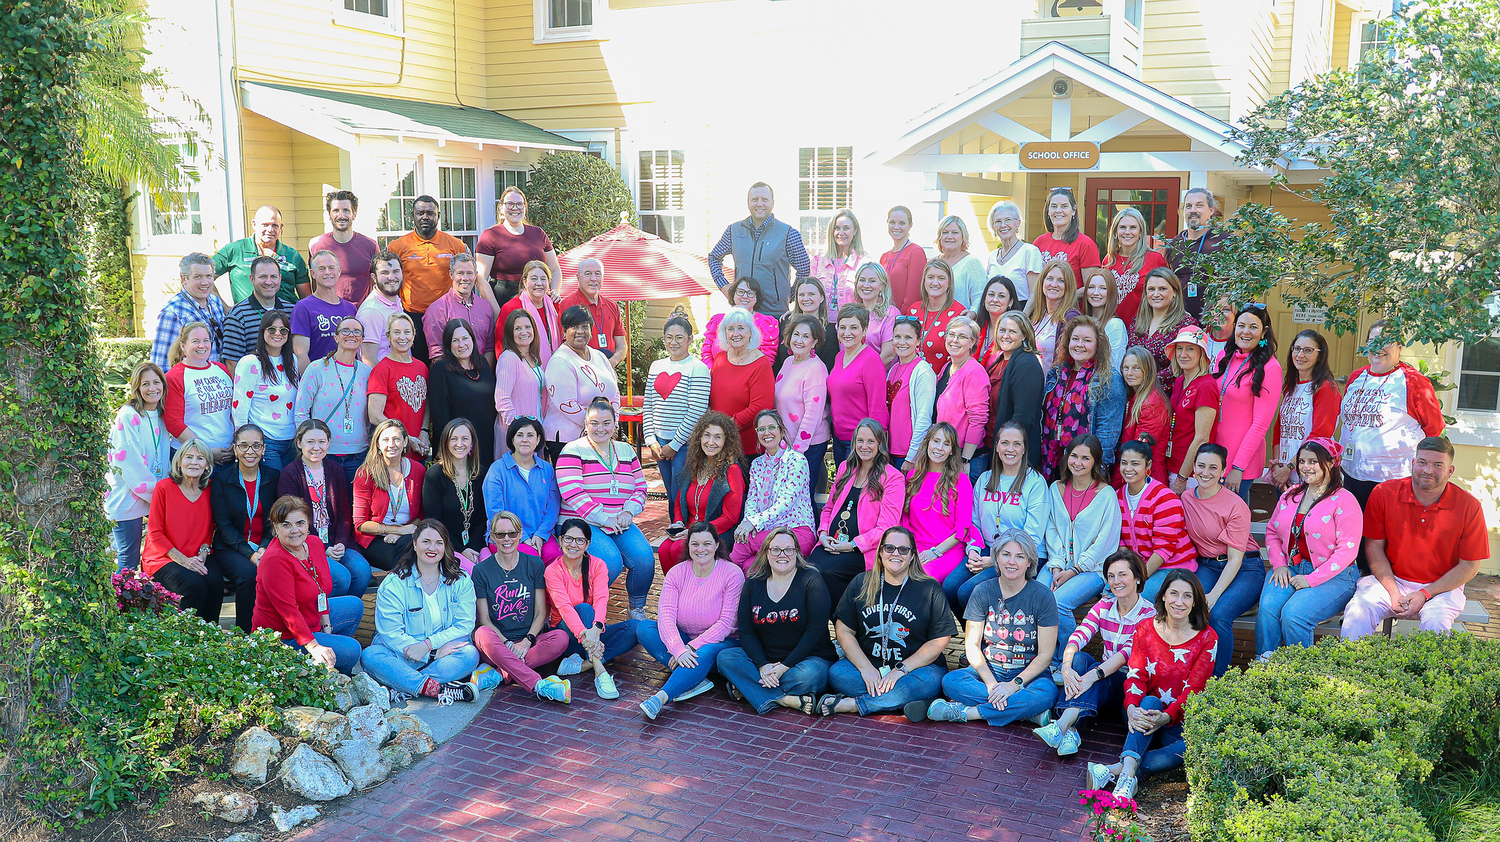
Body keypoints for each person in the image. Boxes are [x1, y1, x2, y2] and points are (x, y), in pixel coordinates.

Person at [1085, 569, 1217, 800]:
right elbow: (1136, 676)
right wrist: (1132, 708)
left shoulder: (1207, 638)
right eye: (1173, 593)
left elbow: (1195, 689)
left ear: (1195, 601)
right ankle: (1127, 779)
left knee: (1194, 749)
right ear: (1163, 595)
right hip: (1141, 714)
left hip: (1176, 722)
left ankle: (1119, 770)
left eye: (1187, 596)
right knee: (1150, 700)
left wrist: (1167, 717)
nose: (1179, 601)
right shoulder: (1145, 628)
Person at [1342, 437, 1490, 638]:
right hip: (1391, 581)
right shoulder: (1384, 493)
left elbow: (1470, 566)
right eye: (1422, 462)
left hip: (1441, 587)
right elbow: (1373, 547)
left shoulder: (1469, 506)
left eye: (1438, 465)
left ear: (1450, 471)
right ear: (1413, 464)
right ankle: (1350, 666)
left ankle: (1427, 671)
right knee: (1358, 611)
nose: (1428, 470)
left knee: (1436, 624)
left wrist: (1425, 594)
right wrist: (1394, 592)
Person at [922, 528, 1059, 727]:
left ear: (1029, 561)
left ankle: (966, 713)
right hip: (989, 670)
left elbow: (1045, 655)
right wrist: (992, 685)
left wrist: (1013, 686)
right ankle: (1026, 714)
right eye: (1006, 554)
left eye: (1020, 556)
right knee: (951, 681)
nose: (1012, 562)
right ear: (996, 557)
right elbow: (972, 646)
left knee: (1047, 693)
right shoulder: (982, 591)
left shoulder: (1043, 596)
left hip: (1027, 675)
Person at [821, 526, 955, 717]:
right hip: (870, 665)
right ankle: (904, 702)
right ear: (881, 552)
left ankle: (855, 704)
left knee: (930, 681)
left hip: (913, 670)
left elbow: (940, 640)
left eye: (903, 550)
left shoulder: (929, 588)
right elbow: (843, 630)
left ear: (912, 555)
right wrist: (865, 668)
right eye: (890, 548)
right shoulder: (861, 582)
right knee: (837, 673)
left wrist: (901, 670)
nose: (896, 554)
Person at [1035, 550, 1154, 757]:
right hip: (1102, 680)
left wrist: (1092, 676)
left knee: (1095, 671)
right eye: (1111, 576)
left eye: (1122, 575)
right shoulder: (1105, 605)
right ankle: (1069, 731)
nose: (1116, 581)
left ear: (1137, 578)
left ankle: (1061, 724)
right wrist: (1066, 665)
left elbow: (1125, 654)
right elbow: (1080, 634)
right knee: (1079, 658)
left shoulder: (1148, 614)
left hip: (1128, 685)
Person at [1257, 438, 1362, 656]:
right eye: (1302, 461)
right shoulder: (1290, 494)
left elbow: (1347, 551)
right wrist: (1278, 565)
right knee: (1268, 610)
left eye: (1313, 461)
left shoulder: (1344, 500)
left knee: (1294, 615)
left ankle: (1301, 673)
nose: (1305, 467)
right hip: (1290, 569)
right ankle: (1265, 667)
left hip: (1336, 577)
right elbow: (1272, 532)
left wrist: (1311, 579)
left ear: (1331, 462)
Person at [361, 519, 481, 705]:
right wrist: (430, 654)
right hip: (402, 654)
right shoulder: (394, 583)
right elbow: (390, 633)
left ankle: (401, 685)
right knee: (370, 656)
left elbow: (464, 625)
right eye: (426, 541)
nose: (432, 548)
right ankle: (440, 689)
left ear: (445, 547)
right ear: (415, 544)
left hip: (443, 654)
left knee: (469, 655)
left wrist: (429, 645)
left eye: (438, 543)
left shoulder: (461, 580)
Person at [717, 528, 837, 714]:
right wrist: (762, 665)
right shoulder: (753, 583)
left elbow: (815, 630)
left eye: (789, 550)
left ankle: (748, 687)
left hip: (806, 661)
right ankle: (786, 700)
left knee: (810, 676)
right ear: (767, 552)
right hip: (766, 661)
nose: (783, 555)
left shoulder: (811, 580)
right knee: (726, 658)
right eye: (776, 550)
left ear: (796, 552)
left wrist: (783, 667)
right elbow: (746, 631)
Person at [554, 398, 655, 619]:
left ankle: (636, 608)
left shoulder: (626, 451)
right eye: (594, 423)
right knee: (610, 562)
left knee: (644, 558)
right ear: (586, 423)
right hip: (582, 523)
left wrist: (628, 512)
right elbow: (572, 493)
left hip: (619, 521)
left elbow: (640, 487)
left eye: (606, 423)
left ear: (615, 423)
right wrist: (604, 518)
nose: (601, 428)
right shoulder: (573, 450)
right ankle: (583, 608)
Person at [637, 523, 746, 719]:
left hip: (721, 643)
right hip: (685, 642)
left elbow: (727, 623)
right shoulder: (677, 573)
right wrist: (678, 649)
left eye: (707, 543)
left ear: (716, 545)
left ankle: (661, 697)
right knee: (645, 628)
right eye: (695, 544)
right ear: (688, 546)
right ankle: (694, 678)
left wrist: (691, 647)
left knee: (707, 650)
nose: (701, 549)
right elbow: (666, 615)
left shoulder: (732, 573)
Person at [1338, 320, 1446, 513]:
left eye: (1386, 341)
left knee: (1386, 540)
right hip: (1352, 475)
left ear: (1400, 347)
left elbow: (1434, 430)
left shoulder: (1414, 381)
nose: (1378, 348)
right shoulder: (1356, 377)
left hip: (1393, 480)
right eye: (1373, 341)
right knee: (1356, 537)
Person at [252, 495, 366, 674]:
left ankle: (328, 665)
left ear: (308, 523)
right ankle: (325, 666)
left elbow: (321, 589)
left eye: (300, 523)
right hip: (282, 636)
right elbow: (289, 613)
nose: (295, 530)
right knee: (352, 649)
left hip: (310, 617)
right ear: (275, 528)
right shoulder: (275, 560)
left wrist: (327, 626)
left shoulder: (313, 543)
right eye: (286, 525)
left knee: (355, 605)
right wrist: (314, 646)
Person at [1179, 443, 1264, 676]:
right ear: (1193, 468)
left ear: (1223, 472)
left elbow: (1235, 559)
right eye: (1201, 466)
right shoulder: (1186, 497)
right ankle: (1186, 672)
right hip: (1208, 564)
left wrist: (1213, 595)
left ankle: (1218, 679)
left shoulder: (1235, 505)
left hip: (1245, 567)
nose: (1206, 472)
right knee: (1187, 606)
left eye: (1213, 468)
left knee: (1218, 614)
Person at [470, 512, 571, 704]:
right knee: (482, 633)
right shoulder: (481, 570)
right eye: (500, 534)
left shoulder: (533, 564)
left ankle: (500, 675)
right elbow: (484, 619)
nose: (507, 539)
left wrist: (526, 641)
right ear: (492, 536)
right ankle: (539, 685)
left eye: (512, 533)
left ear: (520, 534)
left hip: (529, 645)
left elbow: (541, 612)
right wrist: (508, 644)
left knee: (561, 637)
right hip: (497, 646)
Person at [1042, 435, 1122, 674]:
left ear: (1095, 462)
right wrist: (1057, 566)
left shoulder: (1106, 495)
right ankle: (1039, 656)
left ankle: (1063, 659)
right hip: (1058, 563)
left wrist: (1075, 570)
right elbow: (1052, 529)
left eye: (1085, 458)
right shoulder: (1055, 489)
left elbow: (1105, 542)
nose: (1078, 462)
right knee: (1038, 594)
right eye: (1074, 456)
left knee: (1058, 603)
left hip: (1093, 569)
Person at [951, 421, 1049, 613]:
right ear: (996, 447)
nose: (1010, 449)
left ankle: (987, 635)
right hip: (986, 549)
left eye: (1016, 444)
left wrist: (996, 559)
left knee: (967, 592)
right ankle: (977, 632)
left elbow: (1033, 535)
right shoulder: (985, 479)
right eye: (1005, 443)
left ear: (1024, 449)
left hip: (1022, 554)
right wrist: (973, 551)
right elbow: (974, 524)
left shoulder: (1035, 483)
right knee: (949, 588)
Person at [808, 420, 906, 607]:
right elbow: (829, 508)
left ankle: (844, 626)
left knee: (825, 572)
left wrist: (851, 545)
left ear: (880, 444)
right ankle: (827, 630)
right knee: (807, 571)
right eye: (860, 440)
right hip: (832, 543)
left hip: (865, 550)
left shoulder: (892, 477)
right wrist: (822, 535)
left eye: (871, 441)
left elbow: (886, 528)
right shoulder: (846, 468)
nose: (864, 446)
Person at [546, 518, 641, 701]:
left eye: (580, 540)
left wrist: (596, 629)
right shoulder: (553, 571)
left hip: (592, 633)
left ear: (588, 544)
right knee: (583, 608)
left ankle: (582, 665)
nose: (573, 544)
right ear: (560, 541)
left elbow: (601, 599)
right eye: (568, 539)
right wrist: (589, 635)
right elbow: (565, 608)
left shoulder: (597, 565)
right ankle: (600, 672)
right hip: (567, 635)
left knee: (636, 627)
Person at [277, 419, 372, 599]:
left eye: (321, 442)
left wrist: (341, 544)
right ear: (299, 443)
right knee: (341, 578)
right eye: (310, 442)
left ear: (328, 443)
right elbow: (292, 522)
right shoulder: (290, 474)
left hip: (337, 542)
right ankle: (324, 618)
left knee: (362, 572)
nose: (316, 447)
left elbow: (344, 512)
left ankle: (344, 615)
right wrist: (323, 548)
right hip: (306, 545)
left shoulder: (335, 469)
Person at [208, 423, 277, 632]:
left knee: (279, 570)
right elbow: (224, 526)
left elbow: (275, 521)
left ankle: (277, 632)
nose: (250, 451)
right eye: (244, 446)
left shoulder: (274, 477)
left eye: (256, 446)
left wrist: (263, 548)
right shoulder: (221, 480)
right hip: (231, 547)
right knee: (249, 575)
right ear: (235, 449)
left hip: (266, 545)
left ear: (264, 449)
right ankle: (246, 634)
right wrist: (251, 554)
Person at [141, 440, 219, 622]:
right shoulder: (164, 488)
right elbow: (155, 533)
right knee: (194, 584)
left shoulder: (211, 489)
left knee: (215, 582)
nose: (194, 462)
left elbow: (210, 528)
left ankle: (210, 637)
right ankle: (182, 637)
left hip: (197, 554)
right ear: (178, 462)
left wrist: (203, 554)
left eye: (200, 458)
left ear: (207, 465)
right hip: (163, 558)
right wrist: (184, 561)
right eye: (188, 457)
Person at [707, 182, 811, 317]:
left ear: (772, 203)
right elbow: (714, 257)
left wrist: (788, 296)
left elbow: (804, 270)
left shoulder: (789, 234)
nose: (759, 204)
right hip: (743, 313)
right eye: (755, 200)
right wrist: (725, 288)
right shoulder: (733, 231)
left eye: (765, 200)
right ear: (748, 203)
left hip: (775, 315)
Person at [388, 195, 471, 365]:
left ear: (438, 216)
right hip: (413, 316)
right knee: (417, 363)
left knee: (449, 362)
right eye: (420, 213)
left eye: (430, 213)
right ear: (413, 216)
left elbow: (468, 276)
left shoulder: (455, 245)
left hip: (447, 314)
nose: (425, 217)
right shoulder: (397, 246)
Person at [659, 412, 746, 573]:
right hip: (687, 529)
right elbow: (679, 502)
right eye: (707, 435)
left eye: (717, 437)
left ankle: (692, 595)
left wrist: (695, 533)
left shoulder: (732, 470)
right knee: (664, 549)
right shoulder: (694, 464)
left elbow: (730, 517)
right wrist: (678, 522)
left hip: (716, 532)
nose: (711, 442)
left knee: (678, 548)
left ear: (726, 441)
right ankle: (676, 593)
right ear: (699, 438)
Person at [1213, 304, 1284, 501]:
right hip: (1215, 456)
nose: (1246, 332)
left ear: (1264, 332)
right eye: (1241, 325)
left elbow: (1260, 424)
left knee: (1229, 519)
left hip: (1240, 461)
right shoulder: (1224, 357)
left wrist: (1238, 467)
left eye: (1253, 327)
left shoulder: (1270, 368)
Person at [731, 411, 817, 571]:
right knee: (751, 567)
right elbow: (752, 500)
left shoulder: (797, 461)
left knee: (744, 541)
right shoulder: (757, 464)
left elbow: (785, 504)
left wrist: (754, 523)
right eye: (761, 429)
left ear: (781, 430)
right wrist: (749, 521)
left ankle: (720, 577)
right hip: (766, 530)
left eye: (771, 427)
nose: (766, 433)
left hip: (796, 531)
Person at [1041, 316, 1126, 476]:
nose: (1079, 345)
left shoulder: (1109, 379)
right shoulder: (1056, 373)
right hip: (1051, 460)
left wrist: (1098, 470)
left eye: (1087, 340)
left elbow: (1108, 432)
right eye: (1075, 339)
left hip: (1085, 467)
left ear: (1097, 345)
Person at [107, 362, 171, 569]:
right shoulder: (128, 415)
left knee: (156, 556)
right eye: (145, 384)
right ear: (136, 388)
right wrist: (162, 497)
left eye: (156, 382)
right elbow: (129, 463)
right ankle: (120, 602)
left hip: (152, 496)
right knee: (129, 559)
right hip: (127, 498)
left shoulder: (160, 414)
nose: (152, 388)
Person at [644, 315, 711, 512]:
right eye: (669, 337)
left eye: (680, 337)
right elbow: (648, 404)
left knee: (681, 495)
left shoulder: (698, 368)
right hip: (659, 443)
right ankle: (674, 533)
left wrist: (674, 445)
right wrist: (651, 440)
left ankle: (685, 538)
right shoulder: (656, 366)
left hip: (685, 445)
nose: (674, 342)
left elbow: (696, 411)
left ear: (689, 339)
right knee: (671, 496)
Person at [293, 316, 371, 482]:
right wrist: (308, 446)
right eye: (345, 331)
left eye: (357, 331)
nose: (351, 335)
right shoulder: (317, 368)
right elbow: (301, 411)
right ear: (336, 337)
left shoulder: (367, 372)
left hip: (359, 455)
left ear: (362, 339)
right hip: (323, 454)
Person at [1116, 440, 1196, 601]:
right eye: (1124, 463)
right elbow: (1121, 542)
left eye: (1135, 463)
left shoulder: (1165, 498)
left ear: (1148, 465)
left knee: (1133, 599)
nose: (1128, 468)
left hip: (1172, 567)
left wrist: (1137, 579)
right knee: (1110, 597)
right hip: (1137, 567)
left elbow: (1163, 550)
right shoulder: (1117, 497)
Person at [902, 423, 981, 582]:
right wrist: (910, 549)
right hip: (914, 547)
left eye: (946, 444)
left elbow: (963, 529)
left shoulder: (961, 480)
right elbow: (904, 521)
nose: (939, 448)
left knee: (919, 579)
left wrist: (935, 552)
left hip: (946, 550)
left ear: (952, 450)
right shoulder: (912, 476)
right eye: (936, 441)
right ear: (927, 443)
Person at [543, 305, 621, 457]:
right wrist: (600, 427)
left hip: (600, 436)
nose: (580, 331)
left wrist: (613, 423)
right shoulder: (560, 361)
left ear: (591, 330)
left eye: (585, 326)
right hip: (568, 440)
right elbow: (567, 404)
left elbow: (615, 394)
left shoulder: (600, 356)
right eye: (574, 327)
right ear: (564, 332)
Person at [1269, 329, 1340, 491]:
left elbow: (1319, 435)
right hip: (1284, 475)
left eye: (1308, 350)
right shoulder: (1290, 387)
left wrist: (1289, 468)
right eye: (1297, 348)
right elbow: (1279, 430)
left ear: (1320, 356)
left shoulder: (1325, 387)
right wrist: (1277, 466)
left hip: (1310, 475)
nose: (1300, 355)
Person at [353, 419, 426, 572]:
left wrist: (405, 530)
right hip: (374, 538)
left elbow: (423, 513)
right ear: (378, 444)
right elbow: (360, 523)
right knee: (410, 552)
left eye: (396, 439)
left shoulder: (418, 470)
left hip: (408, 534)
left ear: (405, 442)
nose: (391, 444)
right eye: (385, 440)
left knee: (411, 546)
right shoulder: (365, 474)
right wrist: (395, 530)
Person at [774, 314, 831, 506]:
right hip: (787, 444)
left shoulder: (815, 368)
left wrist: (797, 452)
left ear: (814, 342)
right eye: (796, 334)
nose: (799, 340)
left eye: (806, 336)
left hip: (808, 446)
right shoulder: (788, 362)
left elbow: (812, 415)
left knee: (801, 498)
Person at [231, 310, 299, 470]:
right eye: (272, 329)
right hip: (265, 440)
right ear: (262, 332)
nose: (278, 333)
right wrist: (243, 442)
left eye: (283, 330)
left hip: (291, 440)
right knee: (272, 490)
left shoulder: (292, 360)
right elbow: (240, 406)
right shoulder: (250, 363)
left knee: (288, 492)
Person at [482, 417, 560, 555]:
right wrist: (522, 538)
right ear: (512, 439)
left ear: (538, 439)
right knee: (529, 559)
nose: (525, 439)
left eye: (530, 435)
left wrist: (540, 535)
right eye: (520, 435)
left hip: (541, 535)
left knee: (555, 557)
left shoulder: (547, 470)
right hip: (506, 536)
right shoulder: (498, 469)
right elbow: (495, 511)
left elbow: (553, 508)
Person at [164, 322, 235, 470]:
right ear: (183, 346)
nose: (202, 346)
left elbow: (233, 409)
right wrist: (205, 451)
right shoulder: (175, 377)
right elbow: (173, 422)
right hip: (193, 458)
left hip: (227, 455)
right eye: (195, 341)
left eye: (206, 340)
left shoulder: (220, 368)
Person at [476, 185, 560, 310]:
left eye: (520, 204)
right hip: (503, 299)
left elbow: (554, 270)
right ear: (501, 208)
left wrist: (554, 292)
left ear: (525, 208)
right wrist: (496, 312)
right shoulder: (490, 236)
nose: (515, 208)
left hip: (537, 297)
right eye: (510, 204)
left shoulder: (538, 233)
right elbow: (481, 278)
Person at [428, 317, 498, 468]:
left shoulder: (483, 364)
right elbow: (440, 417)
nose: (461, 345)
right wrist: (447, 452)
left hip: (486, 442)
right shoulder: (441, 369)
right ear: (448, 344)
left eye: (465, 338)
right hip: (458, 448)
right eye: (455, 340)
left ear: (472, 339)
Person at [826, 304, 890, 465]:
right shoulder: (839, 357)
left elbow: (878, 407)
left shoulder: (871, 360)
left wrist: (872, 443)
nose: (847, 333)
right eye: (843, 327)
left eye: (853, 327)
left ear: (864, 329)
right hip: (839, 438)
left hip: (860, 442)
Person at [708, 307, 776, 457]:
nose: (735, 333)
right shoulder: (720, 358)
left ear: (751, 332)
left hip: (746, 448)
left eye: (741, 328)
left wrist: (725, 428)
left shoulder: (761, 364)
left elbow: (759, 407)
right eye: (730, 329)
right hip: (718, 444)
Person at [423, 419, 488, 567]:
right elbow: (434, 521)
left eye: (465, 439)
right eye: (454, 439)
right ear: (446, 442)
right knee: (473, 572)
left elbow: (482, 519)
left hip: (475, 545)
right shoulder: (435, 475)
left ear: (472, 443)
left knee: (490, 569)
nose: (460, 444)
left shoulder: (480, 474)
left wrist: (472, 547)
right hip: (445, 545)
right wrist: (461, 550)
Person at [931, 315, 991, 476]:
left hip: (966, 459)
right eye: (951, 334)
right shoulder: (947, 366)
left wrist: (965, 460)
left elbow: (978, 419)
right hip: (947, 453)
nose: (955, 340)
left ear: (972, 342)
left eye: (962, 336)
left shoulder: (974, 372)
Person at [366, 313, 431, 459]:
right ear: (388, 337)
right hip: (392, 452)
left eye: (407, 332)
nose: (402, 337)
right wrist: (405, 437)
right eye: (397, 332)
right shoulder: (381, 370)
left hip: (418, 450)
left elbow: (426, 403)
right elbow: (375, 415)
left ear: (413, 335)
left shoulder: (421, 367)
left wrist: (424, 431)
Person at [1163, 325, 1219, 495]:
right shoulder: (1180, 381)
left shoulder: (1206, 386)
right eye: (1179, 348)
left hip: (1190, 474)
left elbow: (1202, 437)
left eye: (1190, 349)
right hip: (1173, 464)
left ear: (1201, 353)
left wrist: (1182, 477)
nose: (1183, 354)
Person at [214, 205, 309, 303]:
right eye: (265, 225)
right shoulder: (234, 250)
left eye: (275, 225)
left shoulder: (293, 256)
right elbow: (203, 276)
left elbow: (306, 298)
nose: (270, 230)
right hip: (247, 316)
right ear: (254, 224)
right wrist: (223, 307)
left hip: (286, 316)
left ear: (281, 227)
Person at [1128, 267, 1199, 396]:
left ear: (1175, 292)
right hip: (1135, 393)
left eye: (1162, 289)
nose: (1156, 294)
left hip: (1166, 396)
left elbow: (1181, 365)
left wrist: (1147, 382)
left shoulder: (1186, 324)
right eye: (1151, 289)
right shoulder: (1137, 321)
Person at [990, 312, 1046, 471]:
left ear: (1024, 336)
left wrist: (1007, 452)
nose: (1005, 336)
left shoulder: (1027, 364)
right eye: (1002, 330)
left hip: (1011, 459)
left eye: (1012, 331)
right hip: (991, 447)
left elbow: (1023, 418)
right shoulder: (1000, 360)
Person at [152, 253, 227, 369]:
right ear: (183, 279)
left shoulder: (216, 302)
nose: (205, 282)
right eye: (197, 277)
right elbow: (161, 364)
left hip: (217, 380)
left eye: (208, 276)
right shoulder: (173, 313)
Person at [1163, 188, 1226, 321]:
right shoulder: (1174, 246)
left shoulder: (1225, 242)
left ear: (1211, 210)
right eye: (1188, 206)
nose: (1193, 210)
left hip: (1215, 325)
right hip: (1180, 323)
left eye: (1199, 205)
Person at [493, 308, 549, 457]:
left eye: (527, 327)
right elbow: (502, 400)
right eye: (517, 328)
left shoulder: (534, 358)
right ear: (510, 333)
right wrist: (518, 431)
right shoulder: (509, 358)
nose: (524, 332)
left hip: (534, 434)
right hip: (516, 437)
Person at [291, 250, 358, 374]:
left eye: (331, 268)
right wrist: (311, 385)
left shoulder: (350, 309)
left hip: (349, 380)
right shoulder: (303, 307)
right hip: (319, 382)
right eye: (321, 269)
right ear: (313, 274)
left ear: (339, 271)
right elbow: (301, 354)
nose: (327, 272)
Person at [422, 254, 495, 365]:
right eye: (460, 273)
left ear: (475, 275)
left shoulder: (485, 307)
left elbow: (489, 348)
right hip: (452, 375)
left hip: (482, 374)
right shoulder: (437, 310)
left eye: (469, 273)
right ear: (451, 274)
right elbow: (437, 356)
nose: (465, 278)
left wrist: (484, 375)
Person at [309, 189, 379, 304]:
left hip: (361, 314)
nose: (341, 215)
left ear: (354, 214)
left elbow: (377, 283)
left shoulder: (370, 246)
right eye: (336, 210)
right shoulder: (316, 245)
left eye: (346, 210)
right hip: (329, 314)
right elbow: (314, 283)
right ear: (329, 215)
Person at [222, 255, 295, 364]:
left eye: (273, 277)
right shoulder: (238, 315)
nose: (269, 282)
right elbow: (232, 363)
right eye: (263, 277)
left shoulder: (291, 311)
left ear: (280, 278)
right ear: (252, 279)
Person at [1103, 207, 1167, 330]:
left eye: (1133, 227)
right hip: (1112, 330)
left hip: (1141, 330)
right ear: (1115, 231)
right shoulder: (1109, 260)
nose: (1127, 232)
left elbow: (1166, 297)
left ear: (1141, 232)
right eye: (1122, 227)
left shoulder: (1155, 259)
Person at [886, 316, 936, 469]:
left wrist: (912, 457)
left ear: (918, 341)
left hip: (908, 455)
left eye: (908, 337)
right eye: (897, 337)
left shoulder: (923, 371)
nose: (902, 342)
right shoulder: (893, 369)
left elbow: (923, 417)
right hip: (889, 453)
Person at [559, 257, 627, 367]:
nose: (593, 278)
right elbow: (566, 344)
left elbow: (622, 344)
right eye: (588, 274)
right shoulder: (568, 305)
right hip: (582, 369)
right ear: (578, 277)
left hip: (608, 369)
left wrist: (611, 362)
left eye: (597, 273)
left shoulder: (612, 306)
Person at [494, 263, 562, 370]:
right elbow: (502, 346)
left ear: (549, 282)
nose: (539, 283)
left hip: (555, 370)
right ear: (525, 281)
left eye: (543, 279)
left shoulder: (555, 305)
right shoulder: (511, 308)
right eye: (534, 279)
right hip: (522, 371)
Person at [1117, 347, 1169, 486]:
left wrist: (1116, 483)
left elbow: (1139, 453)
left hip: (1144, 480)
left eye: (1136, 368)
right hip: (1132, 475)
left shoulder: (1152, 402)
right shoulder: (1135, 395)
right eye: (1125, 368)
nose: (1129, 373)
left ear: (1148, 370)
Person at [702, 277, 781, 365]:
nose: (745, 296)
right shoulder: (717, 320)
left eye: (751, 293)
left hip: (751, 376)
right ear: (733, 294)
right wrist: (712, 372)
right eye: (740, 291)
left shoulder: (766, 323)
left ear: (756, 297)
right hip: (716, 375)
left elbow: (767, 359)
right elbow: (706, 352)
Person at [975, 276, 1023, 419]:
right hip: (972, 404)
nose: (995, 299)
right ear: (984, 299)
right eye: (991, 295)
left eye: (1001, 296)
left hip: (998, 409)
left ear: (1011, 302)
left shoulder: (1014, 336)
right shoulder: (975, 329)